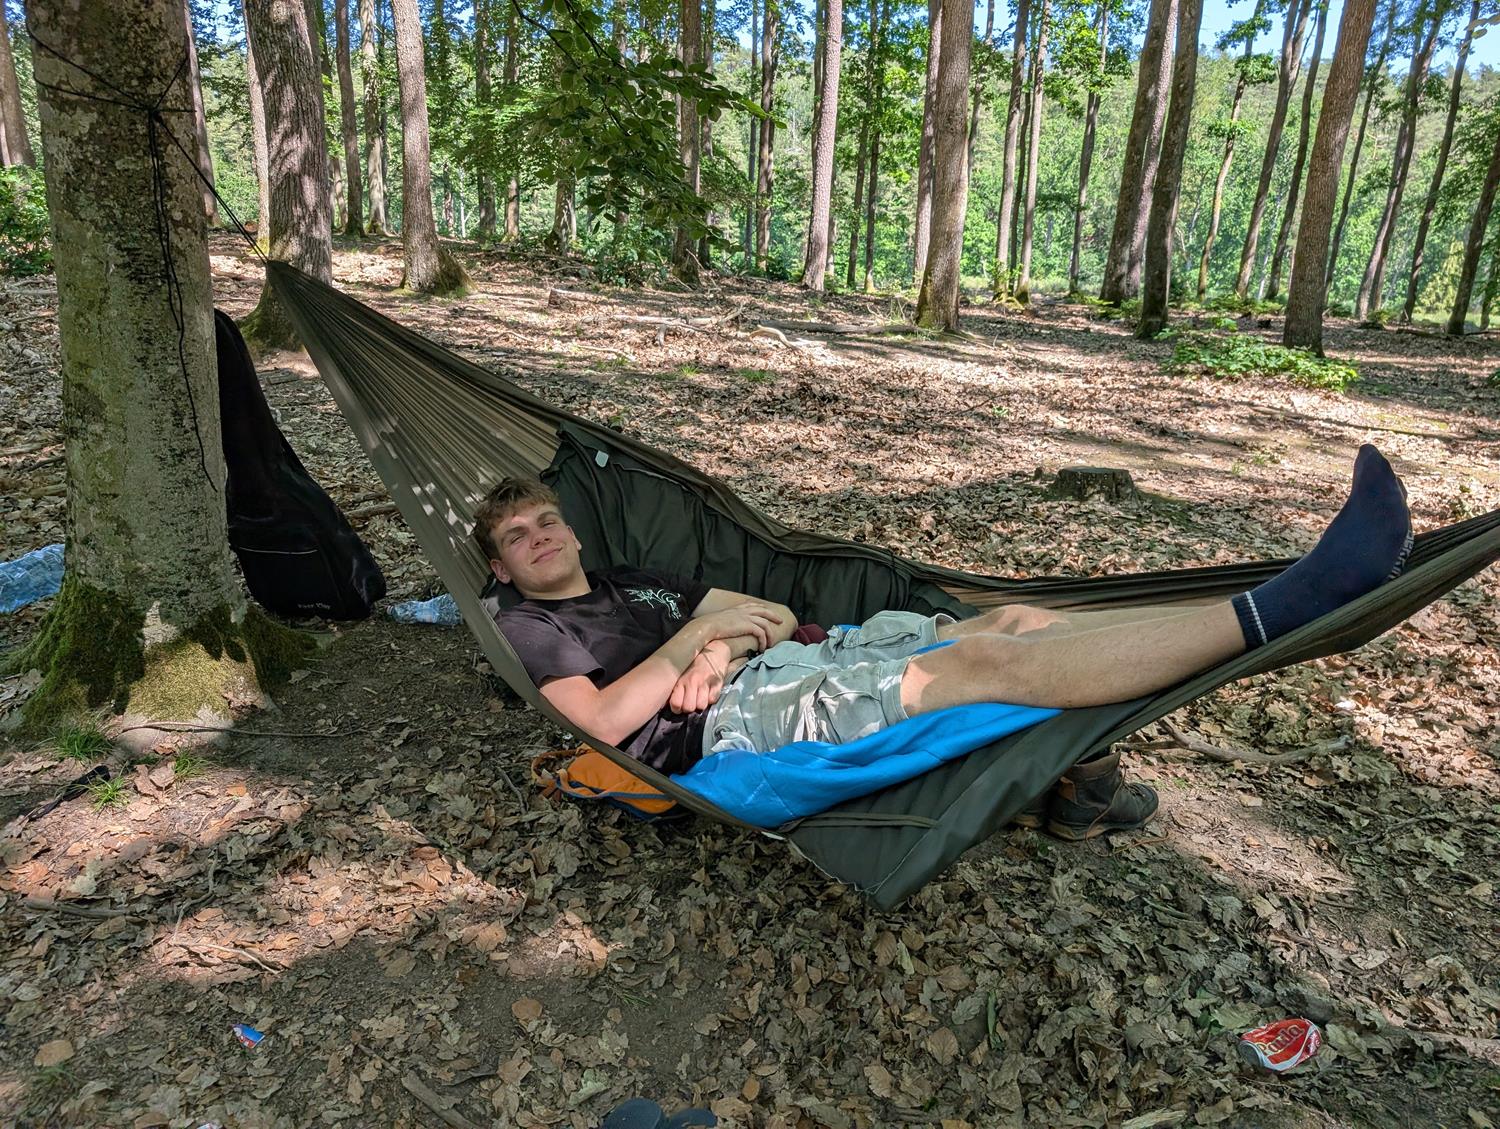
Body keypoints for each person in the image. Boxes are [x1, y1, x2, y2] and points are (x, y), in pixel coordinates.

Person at [474, 445, 1411, 839]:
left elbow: (764, 609)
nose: (540, 537)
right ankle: (1286, 607)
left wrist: (715, 641)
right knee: (981, 665)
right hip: (733, 726)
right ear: (502, 568)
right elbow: (601, 721)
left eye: (547, 519)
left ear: (574, 529)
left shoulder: (634, 580)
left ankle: (1082, 784)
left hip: (788, 660)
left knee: (1010, 621)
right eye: (517, 537)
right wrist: (703, 639)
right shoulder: (531, 623)